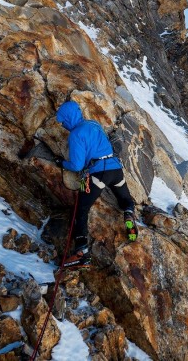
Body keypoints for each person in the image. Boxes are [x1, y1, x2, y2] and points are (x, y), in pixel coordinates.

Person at [54, 101, 137, 268]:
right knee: (125, 199)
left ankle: (81, 253)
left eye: (62, 121)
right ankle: (128, 214)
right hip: (115, 168)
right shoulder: (93, 123)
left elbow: (77, 165)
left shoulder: (76, 134)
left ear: (68, 119)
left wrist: (62, 163)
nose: (62, 124)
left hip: (99, 173)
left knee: (81, 209)